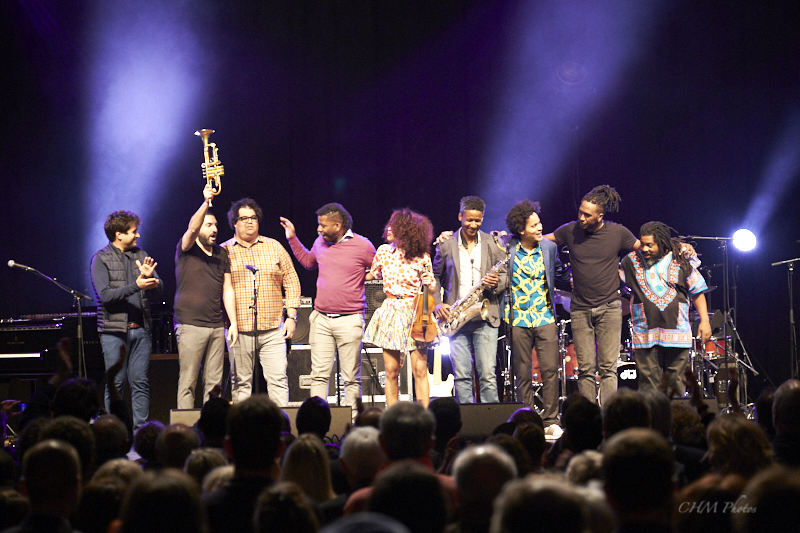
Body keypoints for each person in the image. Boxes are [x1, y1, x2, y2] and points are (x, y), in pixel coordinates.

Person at [281, 203, 376, 414]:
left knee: (351, 378)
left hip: (349, 320)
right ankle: (318, 421)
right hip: (321, 319)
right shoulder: (320, 242)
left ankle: (353, 423)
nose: (319, 229)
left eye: (323, 225)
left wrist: (365, 276)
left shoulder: (363, 246)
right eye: (319, 225)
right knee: (319, 375)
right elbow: (308, 262)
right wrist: (292, 238)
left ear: (338, 225)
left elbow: (381, 269)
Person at [222, 198, 301, 406]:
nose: (250, 222)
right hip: (239, 330)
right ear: (234, 222)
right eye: (244, 218)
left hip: (273, 328)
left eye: (254, 218)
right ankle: (242, 430)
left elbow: (292, 281)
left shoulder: (274, 247)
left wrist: (291, 316)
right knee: (240, 383)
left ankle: (281, 428)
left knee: (278, 380)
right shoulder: (224, 251)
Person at [90, 210, 162, 431]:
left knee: (140, 383)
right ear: (119, 234)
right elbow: (106, 296)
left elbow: (160, 289)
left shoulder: (141, 255)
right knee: (116, 383)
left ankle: (140, 433)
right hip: (114, 333)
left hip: (141, 330)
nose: (138, 235)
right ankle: (114, 432)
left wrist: (151, 278)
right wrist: (137, 285)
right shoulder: (101, 258)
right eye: (134, 231)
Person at [620, 221, 711, 393]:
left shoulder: (681, 261)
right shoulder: (630, 262)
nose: (644, 249)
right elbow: (614, 275)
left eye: (649, 245)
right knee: (648, 387)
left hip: (677, 333)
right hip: (645, 334)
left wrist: (705, 321)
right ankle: (652, 420)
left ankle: (675, 419)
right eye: (642, 244)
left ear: (662, 243)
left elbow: (698, 291)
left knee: (676, 384)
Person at [432, 196, 507, 404]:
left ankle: (491, 426)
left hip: (485, 316)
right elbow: (435, 277)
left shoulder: (494, 243)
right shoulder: (446, 244)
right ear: (460, 217)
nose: (473, 225)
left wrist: (495, 283)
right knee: (462, 377)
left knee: (488, 377)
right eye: (469, 220)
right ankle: (467, 426)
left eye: (478, 220)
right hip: (456, 317)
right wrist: (437, 303)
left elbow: (505, 277)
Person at [503, 200, 569, 436]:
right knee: (523, 371)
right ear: (521, 230)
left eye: (540, 223)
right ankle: (527, 417)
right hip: (517, 317)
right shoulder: (507, 247)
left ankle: (551, 419)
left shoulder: (549, 248)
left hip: (545, 316)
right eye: (534, 226)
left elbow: (559, 272)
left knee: (550, 369)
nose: (540, 228)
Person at [174, 184, 238, 409]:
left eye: (216, 225)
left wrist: (233, 323)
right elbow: (191, 229)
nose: (214, 229)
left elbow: (227, 289)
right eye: (209, 225)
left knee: (214, 385)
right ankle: (184, 432)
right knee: (188, 381)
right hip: (190, 325)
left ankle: (212, 428)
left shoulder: (222, 253)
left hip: (215, 325)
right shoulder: (187, 249)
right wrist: (206, 203)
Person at [364, 209, 437, 407]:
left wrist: (430, 283)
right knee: (391, 371)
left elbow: (431, 287)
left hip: (415, 313)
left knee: (420, 371)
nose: (388, 228)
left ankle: (424, 417)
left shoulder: (421, 257)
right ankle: (392, 417)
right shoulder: (384, 252)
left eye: (394, 226)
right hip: (391, 310)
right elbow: (372, 274)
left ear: (406, 231)